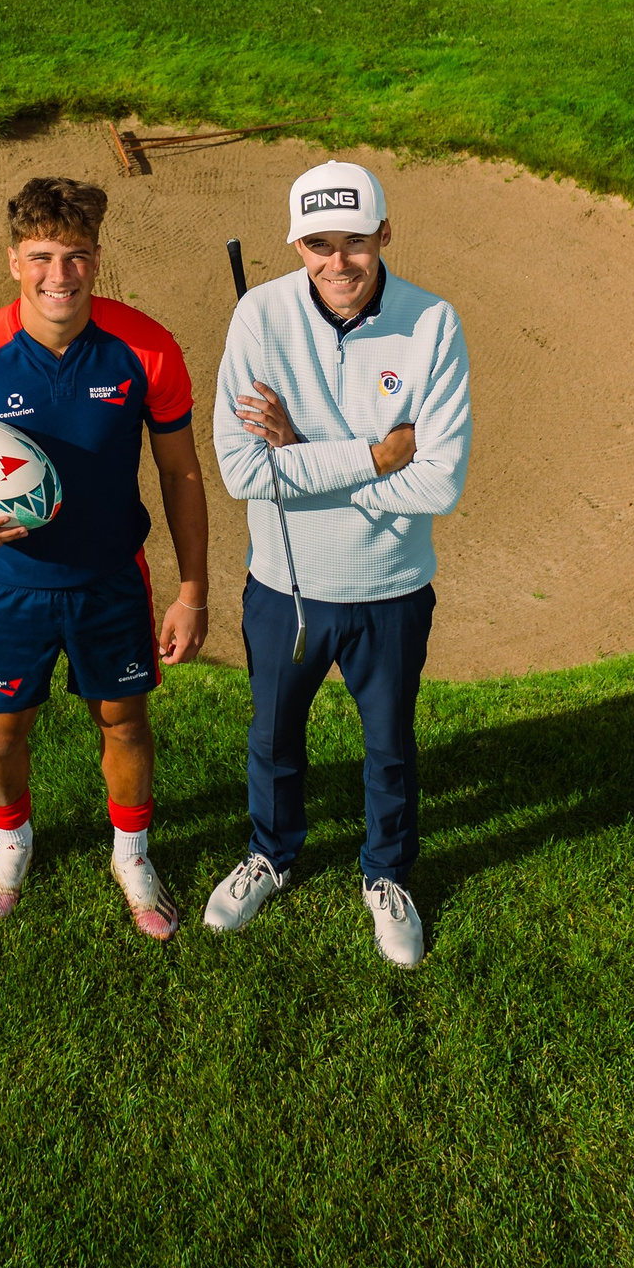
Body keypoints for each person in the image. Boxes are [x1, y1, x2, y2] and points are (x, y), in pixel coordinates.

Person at [0, 174, 208, 940]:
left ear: (96, 258)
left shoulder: (146, 350)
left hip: (111, 581)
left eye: (76, 255)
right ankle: (12, 845)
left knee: (124, 724)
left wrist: (193, 590)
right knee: (2, 731)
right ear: (13, 261)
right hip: (7, 589)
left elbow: (181, 473)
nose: (59, 275)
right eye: (41, 256)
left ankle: (131, 854)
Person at [205, 159, 471, 968]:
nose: (338, 262)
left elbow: (440, 482)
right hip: (284, 588)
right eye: (318, 244)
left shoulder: (432, 324)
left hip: (391, 588)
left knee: (389, 747)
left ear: (384, 233)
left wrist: (301, 452)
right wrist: (375, 456)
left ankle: (386, 874)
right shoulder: (259, 316)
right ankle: (271, 853)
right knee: (273, 738)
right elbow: (242, 471)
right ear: (296, 244)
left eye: (355, 241)